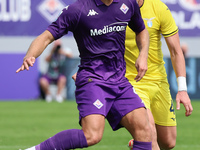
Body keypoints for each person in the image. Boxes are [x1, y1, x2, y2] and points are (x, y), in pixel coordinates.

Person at [16, 0, 152, 149]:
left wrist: (143, 55)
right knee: (92, 136)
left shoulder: (128, 3)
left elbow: (141, 29)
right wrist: (30, 55)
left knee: (145, 133)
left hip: (120, 81)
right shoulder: (78, 9)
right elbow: (46, 36)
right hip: (93, 80)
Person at [125, 0, 193, 149]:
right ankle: (143, 142)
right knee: (149, 134)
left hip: (159, 82)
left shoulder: (159, 8)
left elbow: (176, 51)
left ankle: (138, 144)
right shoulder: (116, 9)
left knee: (168, 142)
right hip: (130, 82)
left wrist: (182, 89)